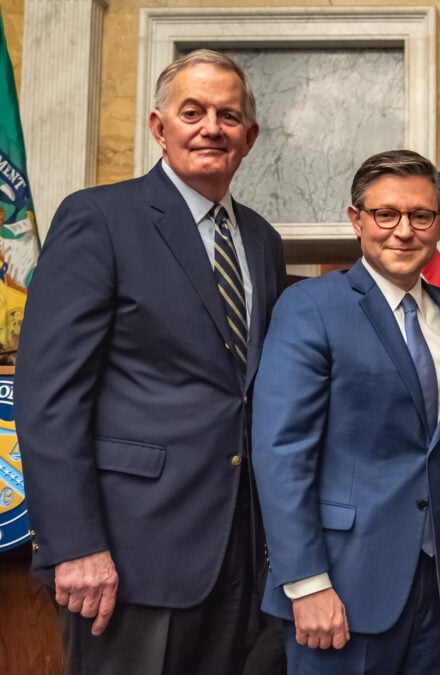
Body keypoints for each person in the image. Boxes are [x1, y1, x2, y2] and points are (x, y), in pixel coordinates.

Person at [14, 49, 286, 673]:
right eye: (192, 111)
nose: (211, 127)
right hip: (126, 556)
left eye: (227, 114)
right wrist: (76, 545)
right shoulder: (100, 218)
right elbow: (49, 395)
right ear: (159, 127)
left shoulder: (261, 241)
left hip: (241, 555)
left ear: (249, 137)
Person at [251, 149, 440, 673]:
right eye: (385, 214)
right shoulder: (311, 307)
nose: (403, 231)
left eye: (420, 216)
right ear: (357, 220)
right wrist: (306, 583)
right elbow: (282, 455)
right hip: (339, 586)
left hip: (436, 591)